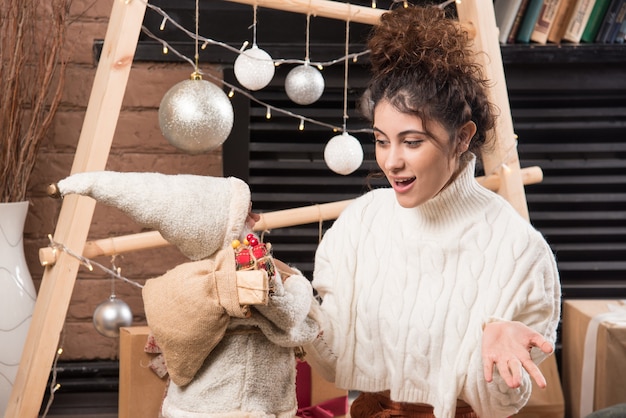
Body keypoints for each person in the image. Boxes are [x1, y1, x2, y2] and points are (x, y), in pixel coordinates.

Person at [296, 4, 562, 418]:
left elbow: (502, 403)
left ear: (462, 138)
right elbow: (335, 362)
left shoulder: (519, 250)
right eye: (382, 140)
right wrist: (289, 295)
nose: (391, 161)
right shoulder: (361, 223)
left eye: (412, 142)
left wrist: (497, 347)